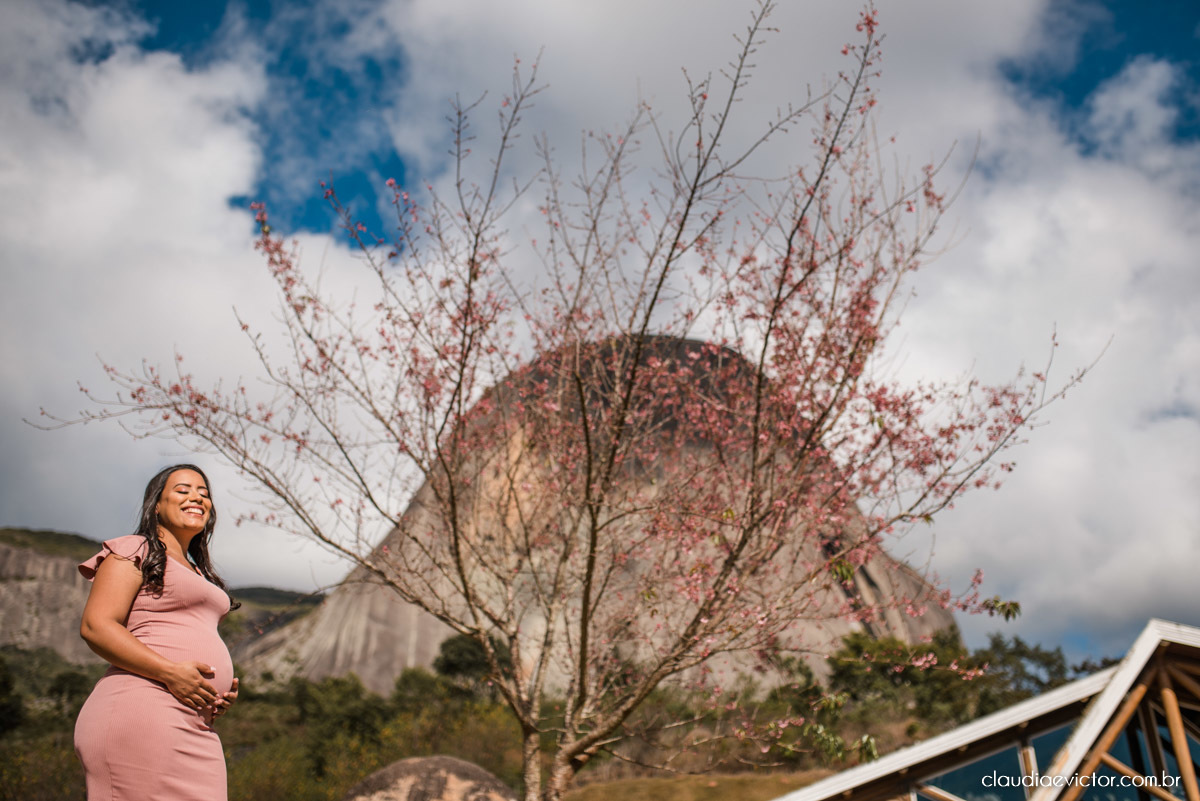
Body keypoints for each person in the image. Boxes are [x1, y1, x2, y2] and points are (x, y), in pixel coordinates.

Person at [74, 464, 240, 801]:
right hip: (142, 711)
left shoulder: (197, 571)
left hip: (194, 724)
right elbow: (96, 626)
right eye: (182, 490)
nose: (196, 497)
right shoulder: (135, 550)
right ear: (157, 505)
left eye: (204, 493)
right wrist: (170, 672)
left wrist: (211, 692)